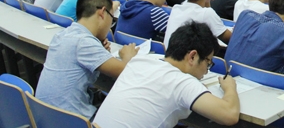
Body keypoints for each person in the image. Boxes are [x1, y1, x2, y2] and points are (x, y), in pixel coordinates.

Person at [93, 22, 240, 128]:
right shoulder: (182, 82)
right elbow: (230, 115)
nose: (206, 71)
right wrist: (230, 88)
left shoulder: (139, 61)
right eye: (208, 63)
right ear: (192, 56)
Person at [36, 0, 138, 119]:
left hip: (45, 116)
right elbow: (124, 71)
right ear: (102, 13)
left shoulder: (62, 34)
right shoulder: (84, 42)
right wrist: (128, 56)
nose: (110, 24)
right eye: (112, 19)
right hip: (71, 119)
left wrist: (100, 51)